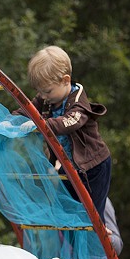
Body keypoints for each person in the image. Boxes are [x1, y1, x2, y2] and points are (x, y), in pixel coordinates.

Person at [8, 46, 112, 224]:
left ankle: (101, 233)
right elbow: (28, 110)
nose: (43, 96)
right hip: (69, 166)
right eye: (39, 92)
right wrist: (11, 120)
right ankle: (76, 237)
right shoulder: (47, 99)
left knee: (92, 212)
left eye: (47, 91)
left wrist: (41, 125)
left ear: (65, 80)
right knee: (68, 207)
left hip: (93, 166)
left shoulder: (78, 102)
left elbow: (70, 122)